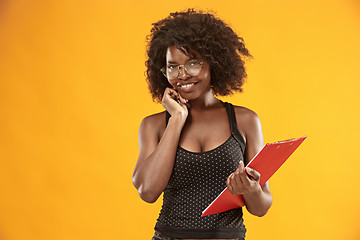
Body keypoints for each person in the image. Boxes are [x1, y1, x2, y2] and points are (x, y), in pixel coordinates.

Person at [132, 9, 273, 240]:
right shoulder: (154, 125)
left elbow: (261, 207)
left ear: (213, 62)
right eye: (172, 66)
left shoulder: (245, 121)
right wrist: (176, 119)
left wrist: (251, 189)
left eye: (193, 63)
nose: (183, 74)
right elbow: (147, 191)